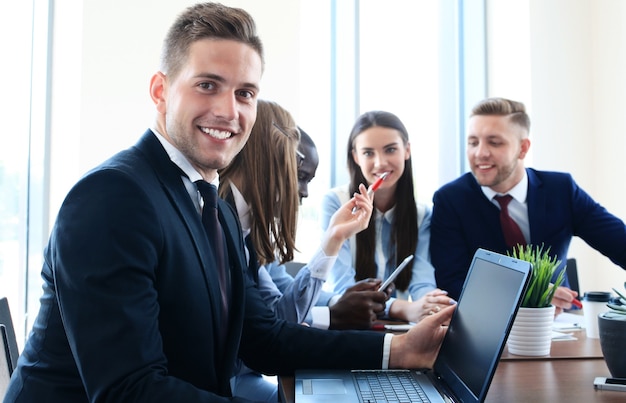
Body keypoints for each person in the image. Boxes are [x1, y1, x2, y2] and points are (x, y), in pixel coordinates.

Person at [4, 3, 455, 402]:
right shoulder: (112, 197)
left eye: (245, 93)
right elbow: (130, 388)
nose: (229, 111)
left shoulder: (212, 205)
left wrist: (398, 350)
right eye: (207, 85)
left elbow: (262, 338)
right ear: (160, 91)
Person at [220, 99, 388, 401]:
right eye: (299, 176)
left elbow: (279, 315)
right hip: (229, 382)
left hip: (243, 377)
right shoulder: (224, 226)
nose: (305, 193)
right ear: (274, 162)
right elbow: (278, 324)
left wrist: (334, 238)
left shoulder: (245, 231)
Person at [430, 97, 626, 316]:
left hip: (562, 324)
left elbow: (619, 242)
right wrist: (534, 292)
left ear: (523, 148)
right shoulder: (450, 200)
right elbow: (452, 283)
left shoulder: (561, 190)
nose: (480, 153)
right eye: (473, 142)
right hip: (488, 326)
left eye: (494, 142)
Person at [321, 110, 456, 324]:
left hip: (394, 329)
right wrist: (403, 309)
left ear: (407, 150)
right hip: (346, 326)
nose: (380, 163)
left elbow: (422, 282)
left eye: (390, 150)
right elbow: (342, 289)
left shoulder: (422, 215)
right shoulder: (336, 203)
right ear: (355, 157)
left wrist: (432, 303)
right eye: (368, 153)